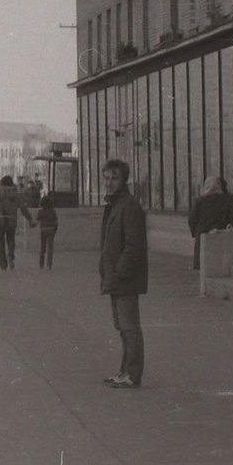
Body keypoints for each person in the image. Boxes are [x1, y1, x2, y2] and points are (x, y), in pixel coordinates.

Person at [99, 158, 147, 389]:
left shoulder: (128, 206)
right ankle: (125, 371)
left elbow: (133, 246)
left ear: (123, 180)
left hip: (124, 279)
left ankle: (132, 373)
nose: (109, 182)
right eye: (106, 177)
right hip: (116, 277)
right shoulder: (116, 204)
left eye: (114, 178)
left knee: (129, 327)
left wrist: (119, 272)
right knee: (122, 328)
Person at [187, 176, 233, 270]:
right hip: (222, 234)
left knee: (202, 265)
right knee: (222, 264)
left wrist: (195, 232)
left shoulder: (200, 200)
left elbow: (191, 219)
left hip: (203, 235)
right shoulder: (229, 199)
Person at [0, 175, 34, 269]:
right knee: (11, 239)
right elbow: (23, 208)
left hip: (0, 220)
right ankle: (10, 255)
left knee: (0, 241)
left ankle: (3, 263)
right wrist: (30, 219)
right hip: (12, 219)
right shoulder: (17, 194)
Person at [36, 194, 59, 270]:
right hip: (51, 229)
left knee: (42, 247)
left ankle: (41, 264)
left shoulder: (40, 212)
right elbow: (56, 222)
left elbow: (37, 220)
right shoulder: (53, 212)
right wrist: (55, 230)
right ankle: (49, 264)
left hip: (43, 230)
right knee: (50, 247)